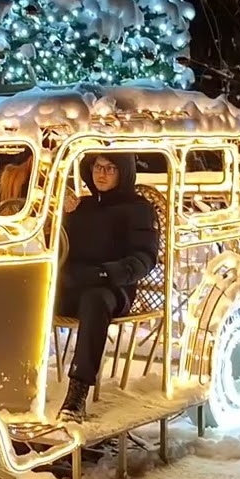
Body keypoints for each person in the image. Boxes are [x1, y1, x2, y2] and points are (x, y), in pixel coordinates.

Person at [55, 153, 159, 422]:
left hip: (112, 288)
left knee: (95, 300)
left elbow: (144, 258)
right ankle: (12, 379)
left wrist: (106, 272)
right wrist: (55, 210)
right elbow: (56, 245)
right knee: (29, 292)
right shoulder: (80, 206)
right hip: (74, 282)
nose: (101, 174)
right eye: (97, 167)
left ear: (123, 171)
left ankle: (77, 394)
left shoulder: (138, 208)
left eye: (110, 168)